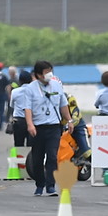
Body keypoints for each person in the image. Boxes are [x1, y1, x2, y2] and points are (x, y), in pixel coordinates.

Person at [18, 60, 73, 197]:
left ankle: (50, 186)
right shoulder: (30, 89)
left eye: (50, 71)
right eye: (46, 72)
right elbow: (27, 108)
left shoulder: (56, 86)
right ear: (38, 74)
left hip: (54, 127)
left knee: (52, 157)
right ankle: (39, 184)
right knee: (37, 159)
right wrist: (30, 124)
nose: (49, 74)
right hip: (37, 128)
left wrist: (69, 120)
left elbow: (63, 105)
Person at [9, 69, 34, 147]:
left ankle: (19, 155)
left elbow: (11, 105)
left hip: (18, 120)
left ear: (20, 81)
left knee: (18, 144)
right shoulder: (34, 91)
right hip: (32, 119)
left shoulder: (15, 91)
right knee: (31, 144)